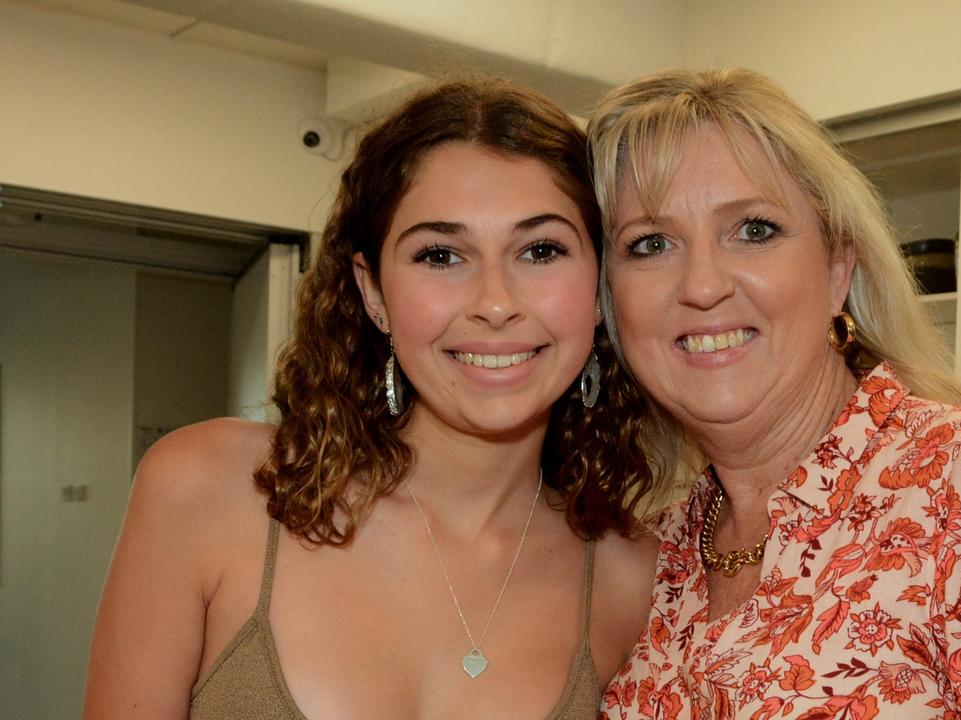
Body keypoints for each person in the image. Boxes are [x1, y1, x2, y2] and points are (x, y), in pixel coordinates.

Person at [587, 67, 961, 719]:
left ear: (838, 268)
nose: (702, 285)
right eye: (650, 243)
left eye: (754, 230)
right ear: (610, 306)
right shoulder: (660, 552)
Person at [84, 78, 658, 720]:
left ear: (600, 287)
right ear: (374, 291)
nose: (496, 303)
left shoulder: (629, 575)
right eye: (441, 255)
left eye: (541, 249)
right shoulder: (210, 490)